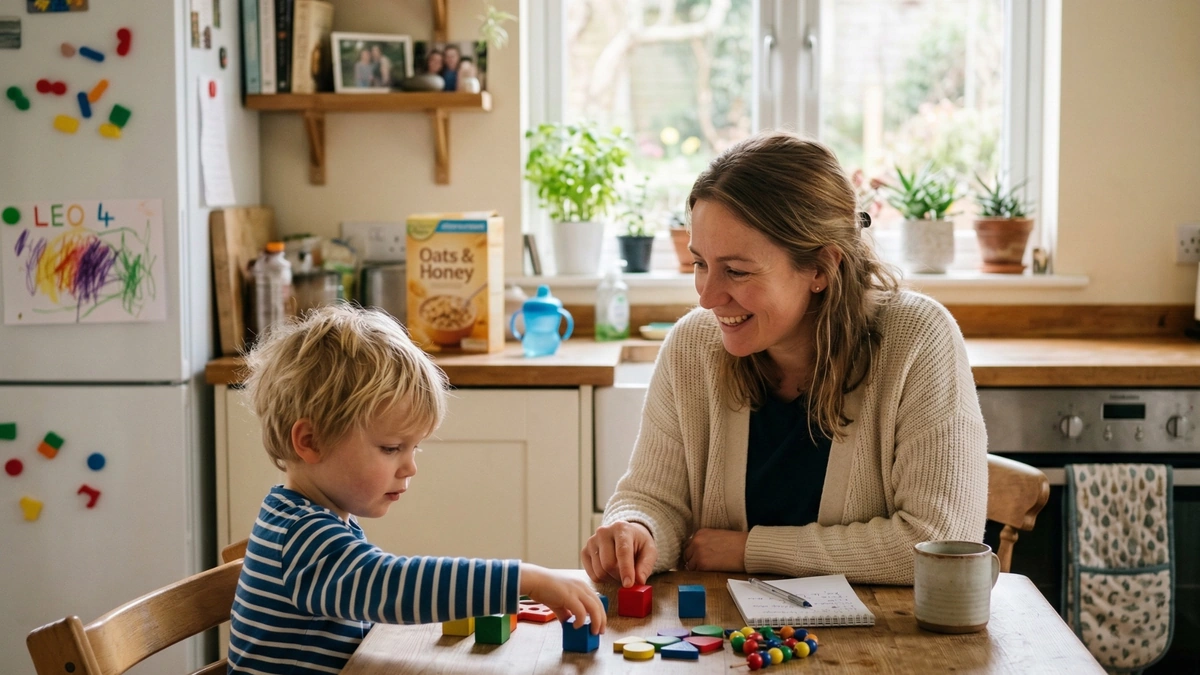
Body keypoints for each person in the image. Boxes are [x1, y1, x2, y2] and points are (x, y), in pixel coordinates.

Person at [582, 131, 987, 589]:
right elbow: (655, 498)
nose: (707, 297)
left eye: (736, 270)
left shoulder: (917, 338)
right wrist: (637, 529)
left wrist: (749, 550)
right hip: (730, 647)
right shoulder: (692, 346)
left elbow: (941, 542)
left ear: (820, 267)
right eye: (700, 263)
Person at [229, 305, 605, 674]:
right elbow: (390, 585)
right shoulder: (302, 536)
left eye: (414, 448)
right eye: (391, 448)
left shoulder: (302, 515)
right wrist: (524, 579)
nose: (410, 467)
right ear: (311, 441)